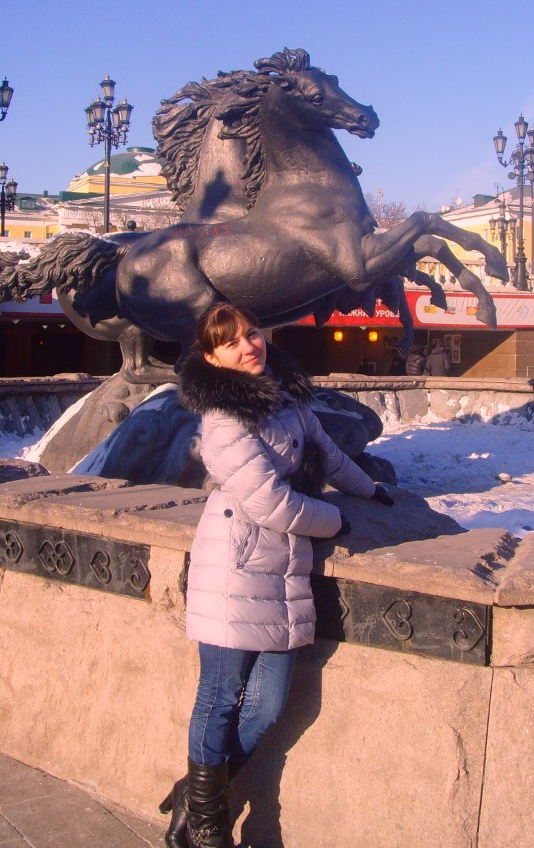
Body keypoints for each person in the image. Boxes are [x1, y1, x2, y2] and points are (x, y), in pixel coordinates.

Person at [160, 303, 393, 848]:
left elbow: (328, 455)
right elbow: (269, 503)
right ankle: (208, 824)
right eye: (232, 342)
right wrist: (334, 519)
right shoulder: (223, 419)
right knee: (221, 695)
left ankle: (196, 794)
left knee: (267, 706)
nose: (249, 346)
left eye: (251, 333)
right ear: (211, 357)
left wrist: (370, 489)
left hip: (283, 569)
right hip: (235, 566)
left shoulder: (286, 396)